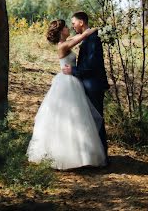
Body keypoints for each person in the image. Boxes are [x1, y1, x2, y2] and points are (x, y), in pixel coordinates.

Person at [27, 18, 107, 170]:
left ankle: (80, 153)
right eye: (65, 27)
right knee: (68, 117)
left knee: (76, 117)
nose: (69, 28)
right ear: (60, 31)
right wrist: (92, 30)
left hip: (72, 81)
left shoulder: (66, 41)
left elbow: (76, 37)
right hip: (66, 82)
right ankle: (66, 155)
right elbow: (81, 37)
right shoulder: (63, 46)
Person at [62, 12, 109, 163]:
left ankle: (101, 158)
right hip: (87, 84)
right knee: (89, 121)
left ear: (81, 22)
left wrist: (73, 71)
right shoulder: (88, 38)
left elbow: (91, 66)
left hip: (93, 86)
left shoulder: (93, 40)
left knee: (97, 120)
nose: (73, 25)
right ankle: (92, 156)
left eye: (74, 22)